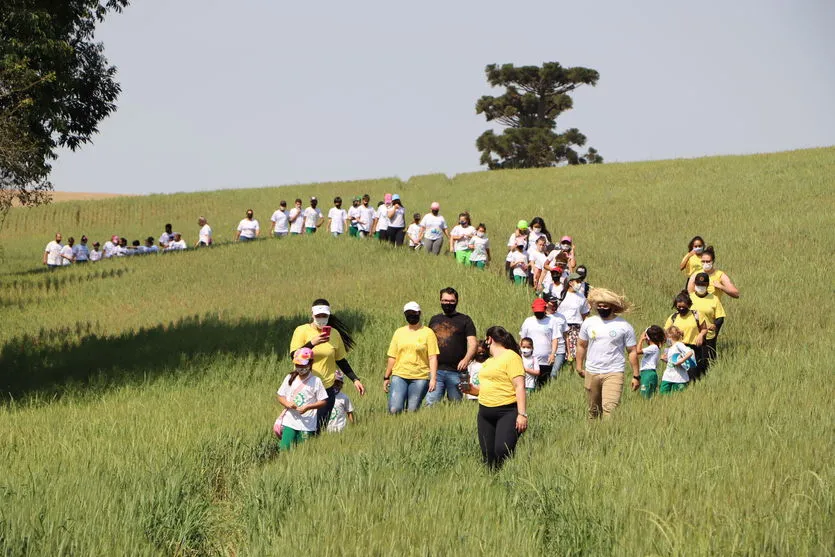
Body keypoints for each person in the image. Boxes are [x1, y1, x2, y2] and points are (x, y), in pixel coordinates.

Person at [290, 299, 366, 434]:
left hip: (326, 389)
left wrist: (355, 379)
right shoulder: (301, 331)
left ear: (329, 315)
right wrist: (312, 343)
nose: (321, 319)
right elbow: (294, 356)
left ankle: (312, 451)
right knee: (302, 426)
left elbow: (341, 360)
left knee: (319, 428)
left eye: (324, 316)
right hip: (306, 387)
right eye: (318, 316)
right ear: (312, 314)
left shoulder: (335, 334)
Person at [460, 326, 527, 470]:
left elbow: (519, 386)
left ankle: (508, 473)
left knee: (502, 450)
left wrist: (522, 414)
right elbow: (487, 387)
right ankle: (492, 481)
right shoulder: (489, 362)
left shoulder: (511, 357)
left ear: (489, 339)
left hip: (507, 411)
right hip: (485, 411)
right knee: (487, 454)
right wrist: (472, 390)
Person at [575, 288, 639, 419]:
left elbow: (632, 351)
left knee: (610, 409)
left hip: (614, 372)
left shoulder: (624, 326)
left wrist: (636, 375)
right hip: (592, 371)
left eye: (605, 306)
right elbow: (581, 345)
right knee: (593, 411)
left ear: (612, 307)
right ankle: (593, 436)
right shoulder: (589, 323)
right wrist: (579, 365)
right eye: (599, 305)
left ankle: (609, 434)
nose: (602, 308)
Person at [383, 301, 439, 413]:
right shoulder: (399, 332)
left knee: (412, 410)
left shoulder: (428, 333)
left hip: (420, 377)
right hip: (399, 375)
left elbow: (433, 357)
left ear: (419, 313)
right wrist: (386, 377)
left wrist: (433, 378)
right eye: (408, 313)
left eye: (414, 313)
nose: (411, 316)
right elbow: (392, 357)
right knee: (394, 409)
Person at [425, 287, 477, 405]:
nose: (448, 304)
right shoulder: (434, 319)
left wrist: (466, 359)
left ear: (457, 301)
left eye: (451, 301)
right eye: (445, 300)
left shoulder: (465, 320)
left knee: (455, 405)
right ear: (440, 301)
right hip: (436, 371)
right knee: (431, 404)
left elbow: (473, 343)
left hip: (456, 371)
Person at [274, 347, 328, 451]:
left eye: (303, 365)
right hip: (290, 421)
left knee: (302, 452)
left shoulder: (316, 381)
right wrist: (287, 404)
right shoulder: (290, 377)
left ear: (310, 363)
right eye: (297, 365)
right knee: (284, 449)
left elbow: (323, 401)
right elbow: (280, 396)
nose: (300, 367)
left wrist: (308, 407)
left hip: (307, 425)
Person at [689, 272, 726, 379]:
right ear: (695, 284)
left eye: (703, 285)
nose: (700, 287)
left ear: (707, 285)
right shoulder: (689, 298)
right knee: (693, 362)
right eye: (698, 284)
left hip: (708, 337)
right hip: (692, 336)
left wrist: (715, 325)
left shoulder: (714, 299)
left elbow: (720, 317)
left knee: (708, 362)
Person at [519, 298, 561, 388]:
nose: (538, 314)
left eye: (540, 312)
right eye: (537, 312)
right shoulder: (528, 321)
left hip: (545, 360)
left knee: (543, 384)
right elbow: (522, 339)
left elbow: (555, 339)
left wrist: (553, 354)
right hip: (529, 359)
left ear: (545, 309)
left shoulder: (552, 321)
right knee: (529, 383)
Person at [663, 291, 707, 374]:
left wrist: (701, 335)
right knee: (677, 374)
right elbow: (665, 332)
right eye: (679, 307)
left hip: (693, 349)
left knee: (693, 373)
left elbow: (704, 329)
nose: (681, 309)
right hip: (677, 349)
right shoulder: (673, 317)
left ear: (688, 305)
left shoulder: (696, 315)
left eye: (683, 307)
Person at [554, 272, 590, 362]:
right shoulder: (561, 295)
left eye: (580, 281)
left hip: (577, 327)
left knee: (576, 352)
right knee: (562, 351)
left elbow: (584, 314)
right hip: (563, 326)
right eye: (577, 281)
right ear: (570, 283)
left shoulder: (582, 297)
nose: (579, 283)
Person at [659, 326, 694, 394]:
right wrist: (665, 360)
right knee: (663, 394)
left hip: (679, 378)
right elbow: (673, 362)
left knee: (677, 396)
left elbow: (690, 352)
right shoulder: (670, 348)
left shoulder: (679, 344)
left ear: (670, 336)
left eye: (666, 336)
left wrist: (681, 361)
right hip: (668, 376)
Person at [636, 325, 665, 399]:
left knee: (645, 396)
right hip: (647, 374)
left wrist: (641, 339)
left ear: (648, 337)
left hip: (648, 374)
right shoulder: (655, 347)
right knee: (648, 395)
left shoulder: (653, 347)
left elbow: (637, 351)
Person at [543, 297, 569, 379]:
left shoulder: (561, 317)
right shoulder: (542, 316)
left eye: (555, 303)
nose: (555, 305)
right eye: (552, 303)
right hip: (546, 349)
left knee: (554, 373)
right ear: (546, 304)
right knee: (545, 373)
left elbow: (566, 335)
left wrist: (569, 351)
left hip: (560, 349)